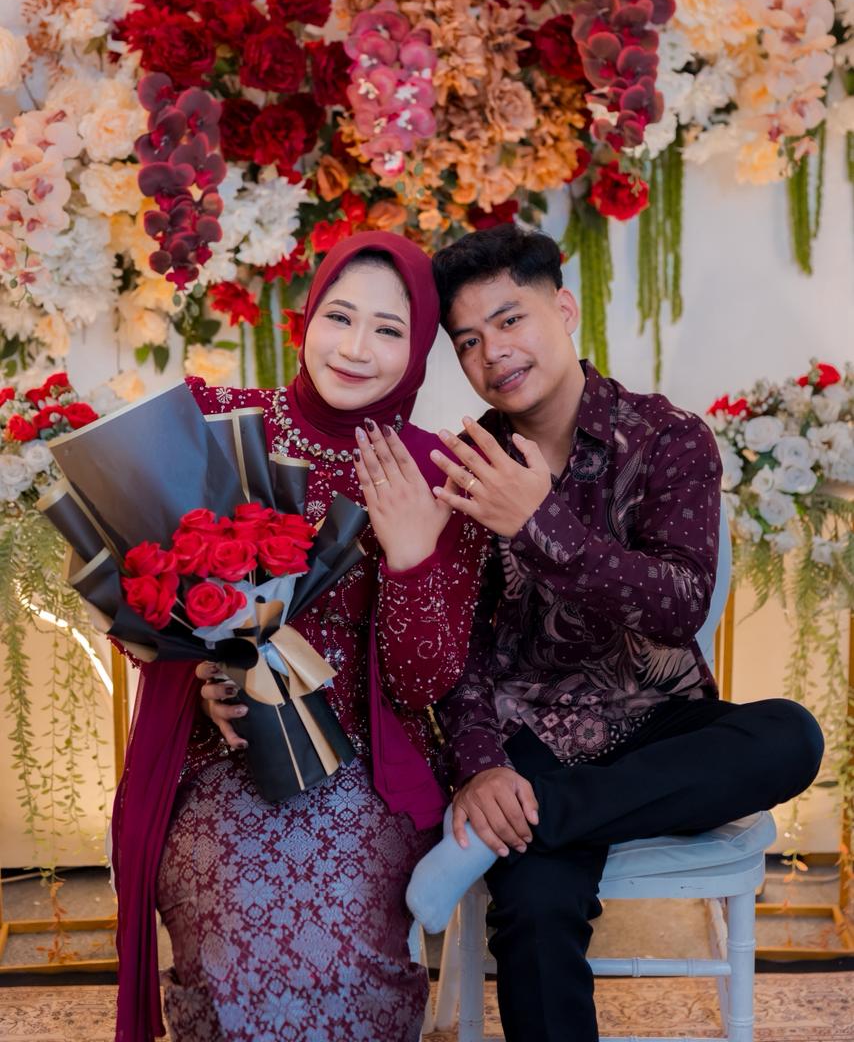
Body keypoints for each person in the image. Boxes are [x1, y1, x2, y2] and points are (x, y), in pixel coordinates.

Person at [407, 223, 824, 1042]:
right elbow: (458, 652)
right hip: (532, 732)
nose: (493, 352)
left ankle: (535, 823)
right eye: (468, 340)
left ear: (563, 310)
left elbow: (680, 604)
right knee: (534, 907)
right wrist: (482, 766)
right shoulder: (463, 470)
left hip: (659, 723)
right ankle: (524, 823)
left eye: (510, 319)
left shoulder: (668, 439)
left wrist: (539, 524)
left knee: (790, 737)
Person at [110, 232, 489, 1042]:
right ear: (306, 318)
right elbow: (138, 596)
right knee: (232, 942)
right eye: (340, 317)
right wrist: (199, 673)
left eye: (388, 330)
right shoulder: (220, 424)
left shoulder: (438, 472)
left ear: (420, 347)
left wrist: (412, 557)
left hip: (368, 771)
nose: (355, 348)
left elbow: (424, 682)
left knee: (340, 949)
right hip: (221, 760)